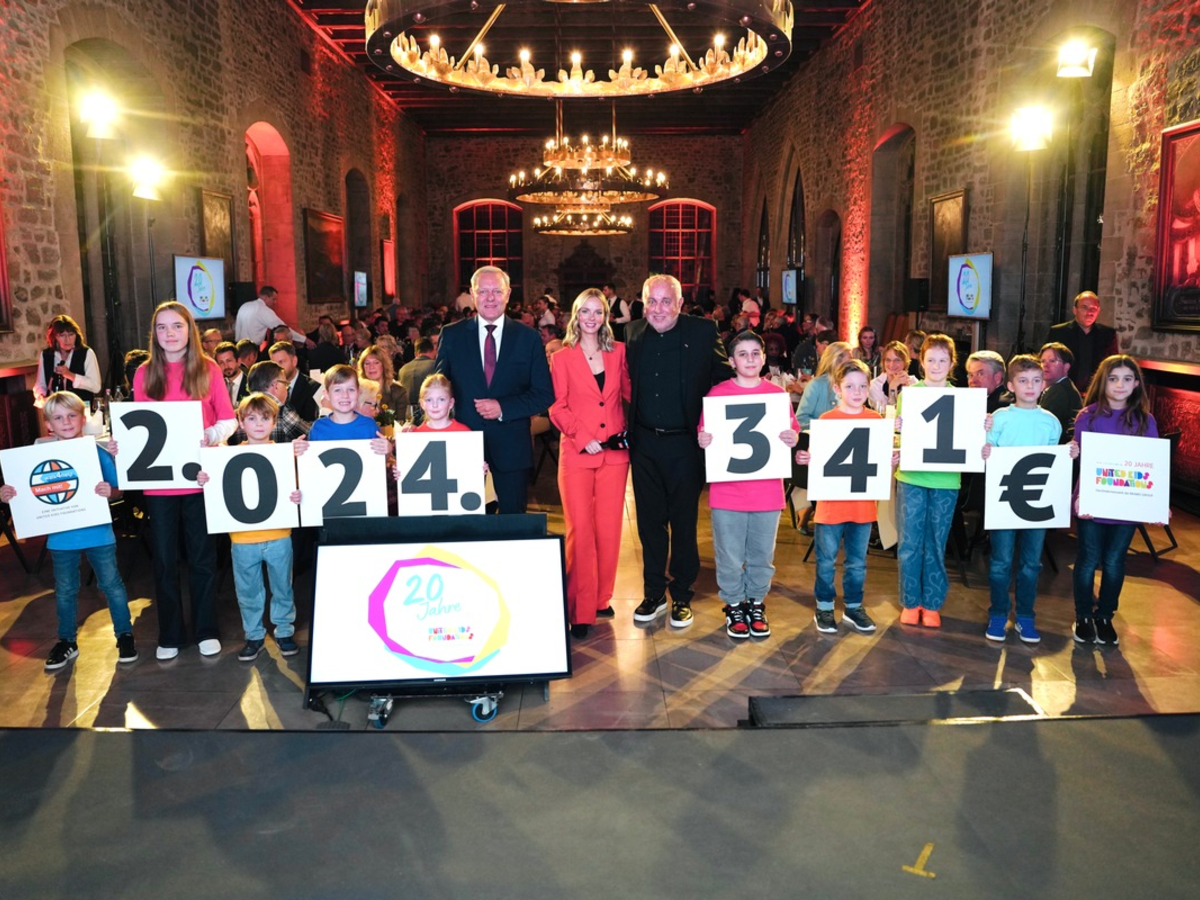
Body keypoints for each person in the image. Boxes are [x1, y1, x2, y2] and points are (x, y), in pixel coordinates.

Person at [129, 301, 237, 659]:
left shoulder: (208, 369)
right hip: (159, 481)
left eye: (176, 326)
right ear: (154, 334)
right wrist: (122, 444)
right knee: (163, 560)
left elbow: (228, 420)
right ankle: (170, 634)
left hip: (199, 478)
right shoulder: (144, 373)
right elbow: (139, 425)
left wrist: (210, 435)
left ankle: (206, 629)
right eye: (161, 327)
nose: (169, 333)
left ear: (189, 330)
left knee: (202, 556)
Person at [0, 392, 137, 670]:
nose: (66, 422)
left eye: (72, 415)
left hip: (98, 532)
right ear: (48, 424)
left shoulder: (97, 452)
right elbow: (26, 493)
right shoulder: (35, 458)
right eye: (58, 417)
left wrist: (110, 491)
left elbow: (119, 489)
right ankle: (66, 641)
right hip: (61, 536)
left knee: (111, 585)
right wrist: (9, 494)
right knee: (64, 590)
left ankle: (124, 635)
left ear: (83, 419)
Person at [626, 273, 731, 628]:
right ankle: (654, 592)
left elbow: (723, 380)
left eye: (666, 301)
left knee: (684, 523)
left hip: (685, 444)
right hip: (644, 444)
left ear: (680, 303)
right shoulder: (632, 333)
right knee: (649, 524)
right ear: (643, 304)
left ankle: (682, 594)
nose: (658, 309)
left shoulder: (703, 332)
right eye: (651, 302)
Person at [697, 331, 798, 639]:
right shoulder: (717, 394)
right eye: (743, 354)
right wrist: (704, 438)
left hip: (767, 492)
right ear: (732, 361)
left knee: (762, 555)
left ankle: (755, 602)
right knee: (728, 554)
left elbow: (792, 430)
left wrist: (792, 437)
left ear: (764, 358)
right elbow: (704, 431)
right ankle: (734, 603)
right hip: (728, 492)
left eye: (756, 353)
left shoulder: (777, 396)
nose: (750, 359)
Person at [434, 266, 554, 514]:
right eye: (483, 291)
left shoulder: (528, 338)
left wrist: (503, 408)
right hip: (463, 444)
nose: (490, 298)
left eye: (497, 291)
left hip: (511, 446)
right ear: (472, 294)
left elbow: (544, 394)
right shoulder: (452, 335)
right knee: (466, 523)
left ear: (508, 294)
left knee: (513, 522)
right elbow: (438, 387)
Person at [549, 288, 631, 639]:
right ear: (575, 315)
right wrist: (583, 436)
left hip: (614, 455)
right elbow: (557, 406)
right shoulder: (562, 358)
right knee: (580, 530)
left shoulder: (619, 352)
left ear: (606, 317)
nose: (592, 318)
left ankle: (600, 598)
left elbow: (629, 395)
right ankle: (579, 609)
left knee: (608, 530)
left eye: (598, 312)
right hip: (578, 453)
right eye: (585, 311)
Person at [195, 393, 302, 662]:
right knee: (248, 592)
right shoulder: (227, 455)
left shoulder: (284, 455)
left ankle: (284, 630)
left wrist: (298, 494)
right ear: (241, 422)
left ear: (274, 421)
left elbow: (297, 485)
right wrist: (205, 478)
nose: (259, 424)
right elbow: (216, 486)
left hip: (279, 535)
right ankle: (254, 635)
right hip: (242, 538)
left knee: (283, 587)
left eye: (265, 418)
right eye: (252, 419)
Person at [795, 359, 896, 635]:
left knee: (857, 562)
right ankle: (824, 607)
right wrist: (806, 459)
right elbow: (817, 458)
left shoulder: (875, 420)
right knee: (826, 560)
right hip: (830, 505)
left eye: (862, 386)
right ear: (837, 389)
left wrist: (889, 460)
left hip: (862, 506)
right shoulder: (826, 420)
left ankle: (853, 606)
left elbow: (878, 459)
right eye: (850, 386)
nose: (857, 391)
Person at [981, 355, 1076, 644]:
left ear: (1043, 384)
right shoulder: (999, 418)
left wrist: (1069, 453)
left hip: (1037, 502)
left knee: (1031, 563)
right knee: (1001, 561)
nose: (1030, 386)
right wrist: (985, 451)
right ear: (1011, 385)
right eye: (1023, 381)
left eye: (1036, 380)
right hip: (1004, 500)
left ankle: (1025, 615)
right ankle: (998, 612)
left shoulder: (1050, 422)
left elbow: (1052, 461)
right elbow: (987, 453)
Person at [1069, 355, 1160, 646]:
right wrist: (1079, 492)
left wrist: (1158, 502)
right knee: (1088, 559)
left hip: (1127, 504)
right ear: (1103, 382)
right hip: (1093, 501)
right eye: (1113, 378)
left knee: (1114, 562)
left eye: (1127, 379)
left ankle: (1105, 616)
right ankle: (1084, 616)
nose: (1120, 385)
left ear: (1136, 384)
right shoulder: (1088, 416)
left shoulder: (1146, 421)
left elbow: (1153, 464)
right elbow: (1083, 462)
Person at [894, 334, 963, 629]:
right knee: (909, 542)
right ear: (920, 362)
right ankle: (911, 602)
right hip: (911, 476)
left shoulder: (963, 398)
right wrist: (895, 428)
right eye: (931, 359)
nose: (936, 365)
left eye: (942, 360)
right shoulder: (908, 395)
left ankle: (932, 603)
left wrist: (983, 424)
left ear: (951, 363)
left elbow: (968, 438)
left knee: (936, 542)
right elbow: (898, 438)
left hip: (946, 480)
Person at [1045, 291, 1119, 393]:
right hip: (1063, 391)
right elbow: (1047, 362)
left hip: (1096, 392)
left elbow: (1113, 364)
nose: (1089, 312)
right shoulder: (1059, 333)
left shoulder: (1108, 334)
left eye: (1093, 309)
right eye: (1084, 307)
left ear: (1098, 311)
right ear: (1075, 310)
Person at [227, 361, 311, 445]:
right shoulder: (282, 412)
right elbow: (312, 435)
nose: (259, 424)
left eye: (265, 418)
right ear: (276, 385)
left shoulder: (234, 415)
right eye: (285, 384)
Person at [35, 315, 101, 404]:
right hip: (56, 407)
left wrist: (70, 375)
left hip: (81, 406)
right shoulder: (46, 355)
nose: (67, 340)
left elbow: (96, 387)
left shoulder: (87, 353)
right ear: (54, 337)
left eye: (71, 335)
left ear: (76, 335)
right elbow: (40, 385)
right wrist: (42, 397)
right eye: (62, 335)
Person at [235, 285, 312, 348]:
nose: (275, 302)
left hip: (238, 346)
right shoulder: (264, 310)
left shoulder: (244, 306)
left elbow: (237, 327)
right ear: (265, 297)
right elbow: (283, 329)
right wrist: (305, 340)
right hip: (252, 349)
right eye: (273, 299)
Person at [1039, 342, 1083, 442]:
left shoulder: (1059, 391)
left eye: (1052, 361)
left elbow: (1042, 426)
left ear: (1066, 367)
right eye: (1042, 361)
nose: (1045, 365)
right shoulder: (1063, 387)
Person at [269, 341, 321, 422]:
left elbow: (310, 423)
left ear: (294, 361)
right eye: (274, 364)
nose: (277, 368)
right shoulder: (269, 388)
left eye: (281, 362)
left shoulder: (312, 388)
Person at [357, 345, 405, 420]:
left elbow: (402, 421)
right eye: (367, 363)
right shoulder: (357, 391)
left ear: (384, 366)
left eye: (376, 363)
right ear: (363, 367)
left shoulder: (398, 391)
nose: (371, 367)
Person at [869, 340, 917, 412]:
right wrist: (892, 387)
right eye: (888, 360)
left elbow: (914, 411)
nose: (892, 364)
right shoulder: (874, 385)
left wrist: (907, 389)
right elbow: (886, 414)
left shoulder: (913, 382)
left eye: (897, 360)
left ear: (905, 362)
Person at [397, 337, 437, 420]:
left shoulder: (403, 369)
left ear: (416, 353)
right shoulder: (435, 366)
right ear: (433, 351)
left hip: (406, 413)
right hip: (429, 413)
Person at [214, 341, 249, 407]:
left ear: (238, 361)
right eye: (221, 363)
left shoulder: (251, 384)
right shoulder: (216, 386)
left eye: (229, 361)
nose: (226, 366)